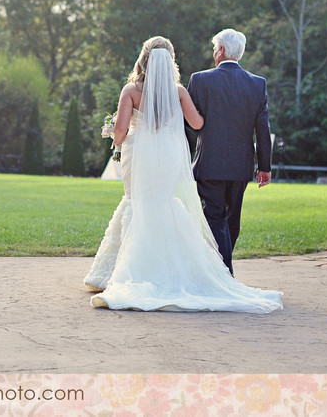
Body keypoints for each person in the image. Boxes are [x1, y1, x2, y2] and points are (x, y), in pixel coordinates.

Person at [83, 36, 282, 313]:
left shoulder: (131, 90)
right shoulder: (178, 91)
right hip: (167, 155)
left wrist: (114, 129)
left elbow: (120, 132)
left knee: (137, 201)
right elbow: (198, 123)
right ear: (170, 61)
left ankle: (122, 271)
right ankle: (178, 270)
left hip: (138, 153)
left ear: (144, 59)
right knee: (163, 203)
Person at [187, 28, 273, 275]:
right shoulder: (258, 84)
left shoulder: (200, 80)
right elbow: (263, 130)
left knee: (215, 217)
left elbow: (190, 124)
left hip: (209, 164)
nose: (214, 52)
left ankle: (224, 273)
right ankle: (222, 270)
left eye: (215, 48)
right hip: (241, 166)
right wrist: (264, 167)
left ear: (221, 51)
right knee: (230, 221)